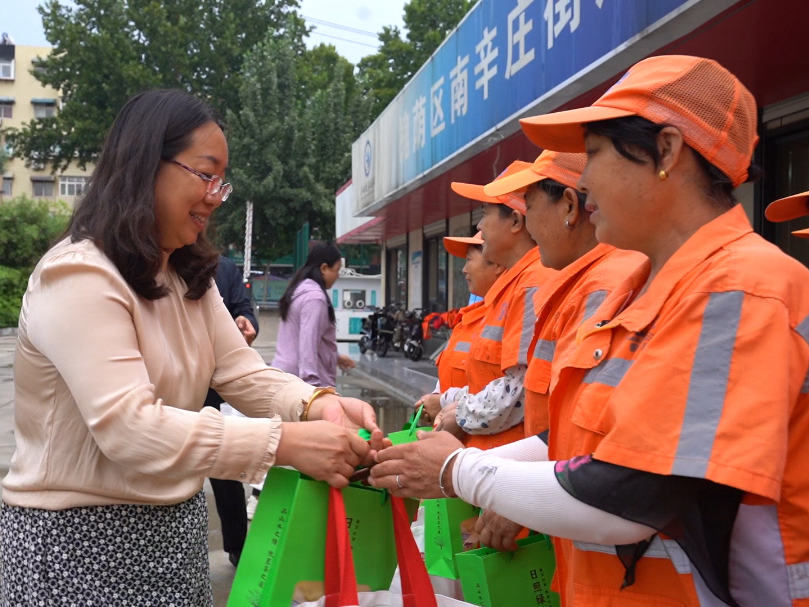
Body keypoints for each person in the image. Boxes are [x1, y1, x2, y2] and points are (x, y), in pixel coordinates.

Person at [371, 55, 809, 606]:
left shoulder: (741, 288)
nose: (583, 177)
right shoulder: (644, 286)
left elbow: (633, 494)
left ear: (668, 151)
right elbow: (580, 443)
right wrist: (449, 464)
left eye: (595, 153)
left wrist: (462, 469)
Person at [2, 89, 381, 606]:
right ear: (145, 166)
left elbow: (242, 374)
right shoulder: (79, 275)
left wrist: (317, 404)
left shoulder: (182, 272)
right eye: (206, 175)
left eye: (221, 182)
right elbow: (130, 429)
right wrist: (284, 444)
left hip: (173, 537)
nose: (215, 196)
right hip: (77, 547)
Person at [436, 162, 557, 450]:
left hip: (505, 457)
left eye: (484, 214)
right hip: (492, 457)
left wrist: (458, 413)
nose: (479, 227)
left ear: (515, 221)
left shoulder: (532, 285)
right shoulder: (514, 287)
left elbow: (518, 392)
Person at [413, 232, 505, 424]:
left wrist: (443, 402)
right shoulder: (469, 319)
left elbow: (505, 391)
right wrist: (435, 397)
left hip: (483, 448)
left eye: (469, 259)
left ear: (497, 263)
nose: (463, 270)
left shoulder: (507, 316)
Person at [203, 254, 258, 567]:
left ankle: (238, 545)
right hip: (158, 395)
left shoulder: (220, 269)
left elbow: (242, 310)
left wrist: (246, 323)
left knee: (223, 467)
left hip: (209, 386)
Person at [272, 241, 356, 388]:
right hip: (300, 382)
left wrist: (335, 357)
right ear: (324, 268)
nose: (337, 276)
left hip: (286, 375)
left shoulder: (300, 289)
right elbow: (307, 343)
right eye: (336, 270)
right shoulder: (314, 298)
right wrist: (312, 385)